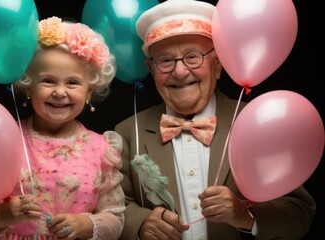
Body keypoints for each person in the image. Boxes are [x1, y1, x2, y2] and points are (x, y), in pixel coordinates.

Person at [114, 0, 316, 239]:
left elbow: (299, 213)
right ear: (151, 69)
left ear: (218, 64)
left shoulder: (260, 121)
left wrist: (245, 215)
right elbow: (113, 207)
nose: (179, 72)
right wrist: (140, 224)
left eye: (193, 56)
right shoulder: (127, 131)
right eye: (165, 61)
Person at [0, 16, 125, 240]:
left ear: (89, 91)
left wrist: (85, 224)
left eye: (72, 82)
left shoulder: (101, 148)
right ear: (28, 87)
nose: (60, 92)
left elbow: (115, 217)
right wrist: (2, 215)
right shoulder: (3, 139)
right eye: (48, 81)